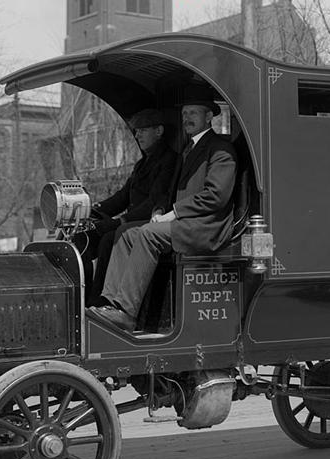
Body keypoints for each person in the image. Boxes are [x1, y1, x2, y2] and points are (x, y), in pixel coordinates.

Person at [88, 85, 238, 331]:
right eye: (185, 113)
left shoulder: (220, 150)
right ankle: (112, 304)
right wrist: (159, 210)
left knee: (148, 234)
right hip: (186, 222)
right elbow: (167, 194)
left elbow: (216, 196)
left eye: (194, 113)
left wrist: (173, 212)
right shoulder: (188, 150)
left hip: (207, 226)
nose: (187, 118)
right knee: (125, 234)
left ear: (209, 116)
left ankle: (127, 312)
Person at [77, 108, 177, 302]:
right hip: (130, 221)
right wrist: (92, 209)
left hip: (149, 221)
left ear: (159, 131)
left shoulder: (169, 160)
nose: (137, 135)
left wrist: (120, 221)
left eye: (142, 130)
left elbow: (154, 202)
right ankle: (83, 298)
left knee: (109, 238)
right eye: (136, 131)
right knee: (83, 236)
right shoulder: (142, 164)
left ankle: (102, 301)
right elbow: (122, 197)